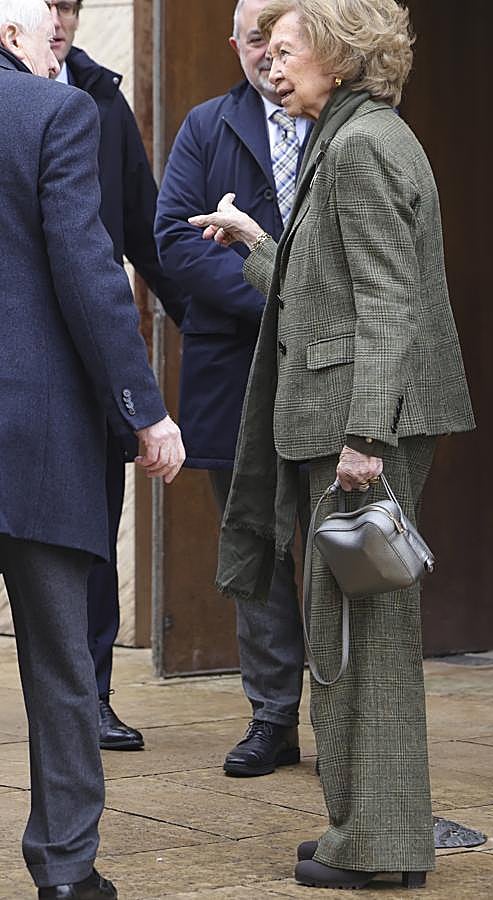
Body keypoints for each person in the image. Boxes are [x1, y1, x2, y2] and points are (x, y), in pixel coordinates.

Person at [190, 0, 474, 888]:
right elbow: (331, 291)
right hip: (354, 419)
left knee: (364, 642)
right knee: (349, 637)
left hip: (360, 429)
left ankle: (380, 844)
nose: (271, 67)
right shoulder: (352, 136)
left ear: (342, 52)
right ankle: (364, 825)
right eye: (264, 53)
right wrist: (255, 243)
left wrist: (362, 437)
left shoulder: (361, 146)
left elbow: (389, 301)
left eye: (287, 50)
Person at [0, 0, 185, 896]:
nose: (57, 51)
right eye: (47, 35)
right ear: (10, 36)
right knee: (61, 664)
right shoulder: (56, 113)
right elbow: (88, 269)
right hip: (36, 441)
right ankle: (66, 872)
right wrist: (146, 412)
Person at [155, 0, 311, 778]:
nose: (267, 55)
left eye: (281, 40)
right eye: (255, 39)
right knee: (253, 541)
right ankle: (272, 717)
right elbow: (174, 240)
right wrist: (278, 293)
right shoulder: (206, 126)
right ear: (236, 45)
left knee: (335, 539)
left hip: (327, 366)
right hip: (234, 366)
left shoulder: (343, 122)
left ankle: (347, 713)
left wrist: (307, 307)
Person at [47, 0, 187, 752]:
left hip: (94, 364)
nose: (62, 19)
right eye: (49, 5)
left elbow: (142, 224)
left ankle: (93, 697)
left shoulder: (101, 96)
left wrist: (201, 323)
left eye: (70, 5)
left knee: (95, 537)